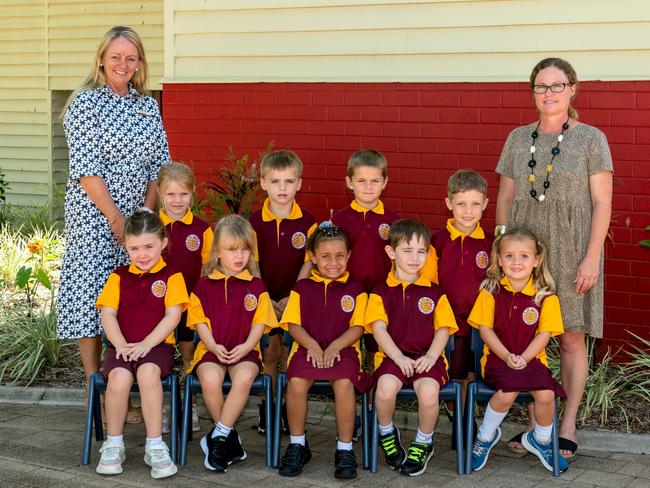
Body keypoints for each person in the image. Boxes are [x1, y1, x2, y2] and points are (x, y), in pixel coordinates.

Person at [494, 57, 613, 458]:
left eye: (557, 86)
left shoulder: (592, 139)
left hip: (573, 248)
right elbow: (506, 198)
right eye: (541, 87)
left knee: (571, 338)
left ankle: (567, 423)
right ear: (533, 92)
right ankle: (536, 425)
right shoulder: (517, 138)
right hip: (524, 253)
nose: (549, 93)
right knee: (527, 335)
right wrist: (501, 250)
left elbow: (602, 204)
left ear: (572, 89)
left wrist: (591, 258)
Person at [57, 25, 171, 423]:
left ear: (140, 63)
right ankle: (98, 391)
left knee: (136, 300)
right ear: (102, 58)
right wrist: (117, 220)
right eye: (116, 56)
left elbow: (160, 166)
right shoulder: (84, 103)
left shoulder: (147, 105)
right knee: (95, 298)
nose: (123, 64)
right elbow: (87, 171)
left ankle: (128, 386)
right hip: (96, 214)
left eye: (131, 57)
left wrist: (143, 217)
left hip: (140, 218)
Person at [94, 210, 188, 478]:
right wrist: (121, 344)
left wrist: (147, 343)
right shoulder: (118, 277)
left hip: (156, 348)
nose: (142, 254)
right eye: (135, 248)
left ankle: (155, 445)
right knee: (119, 378)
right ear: (126, 246)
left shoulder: (172, 277)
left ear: (163, 243)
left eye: (149, 246)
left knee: (148, 374)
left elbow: (173, 316)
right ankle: (113, 444)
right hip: (121, 347)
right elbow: (107, 313)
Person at [467, 226, 568, 473]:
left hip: (532, 359)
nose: (516, 262)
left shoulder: (546, 297)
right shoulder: (490, 292)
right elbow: (485, 331)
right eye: (509, 255)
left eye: (524, 256)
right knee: (508, 392)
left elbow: (544, 335)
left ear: (536, 260)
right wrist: (506, 356)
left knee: (545, 394)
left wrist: (524, 358)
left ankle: (540, 440)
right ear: (499, 260)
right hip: (497, 359)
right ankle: (485, 437)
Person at [366, 219, 458, 476]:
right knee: (384, 390)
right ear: (391, 252)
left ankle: (423, 443)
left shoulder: (435, 292)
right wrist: (396, 357)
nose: (415, 257)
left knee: (429, 392)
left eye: (421, 251)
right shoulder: (380, 292)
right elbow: (378, 329)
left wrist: (431, 355)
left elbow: (443, 329)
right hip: (392, 358)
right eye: (407, 250)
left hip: (428, 359)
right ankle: (387, 433)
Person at [187, 215, 277, 473]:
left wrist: (248, 346)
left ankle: (217, 438)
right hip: (211, 350)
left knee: (245, 378)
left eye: (244, 249)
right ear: (217, 252)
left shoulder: (257, 286)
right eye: (231, 250)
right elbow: (199, 322)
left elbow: (260, 324)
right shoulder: (203, 285)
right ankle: (229, 440)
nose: (239, 256)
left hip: (245, 351)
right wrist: (213, 346)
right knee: (210, 380)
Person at [278, 223, 368, 480]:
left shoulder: (356, 289)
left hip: (344, 350)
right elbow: (293, 324)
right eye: (325, 256)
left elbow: (359, 327)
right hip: (308, 348)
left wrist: (336, 346)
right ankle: (297, 444)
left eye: (340, 256)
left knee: (343, 383)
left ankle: (345, 448)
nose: (333, 262)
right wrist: (313, 345)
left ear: (349, 255)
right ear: (313, 257)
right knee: (295, 383)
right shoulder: (302, 288)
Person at [422, 169, 493, 440]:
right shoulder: (437, 243)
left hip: (477, 325)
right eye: (461, 204)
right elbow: (428, 285)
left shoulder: (491, 245)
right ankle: (456, 416)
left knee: (470, 371)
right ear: (449, 203)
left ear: (485, 204)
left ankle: (466, 419)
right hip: (446, 325)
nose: (468, 211)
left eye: (475, 204)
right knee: (451, 373)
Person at [249, 150, 317, 434]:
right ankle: (269, 408)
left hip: (294, 301)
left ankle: (292, 409)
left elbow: (308, 264)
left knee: (292, 355)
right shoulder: (253, 222)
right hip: (264, 298)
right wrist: (265, 296)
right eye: (275, 181)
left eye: (289, 182)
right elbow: (251, 263)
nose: (282, 188)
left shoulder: (308, 222)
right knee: (270, 355)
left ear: (299, 184)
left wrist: (294, 296)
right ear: (263, 183)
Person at [332, 149, 401, 373]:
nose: (368, 186)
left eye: (374, 181)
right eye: (361, 180)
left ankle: (373, 396)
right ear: (349, 183)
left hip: (381, 295)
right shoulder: (338, 220)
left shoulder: (393, 221)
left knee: (375, 349)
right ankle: (348, 389)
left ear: (385, 182)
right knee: (345, 348)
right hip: (346, 292)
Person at [157, 162, 213, 433]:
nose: (177, 201)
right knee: (163, 357)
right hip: (159, 309)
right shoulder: (152, 227)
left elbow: (208, 272)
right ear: (159, 193)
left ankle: (189, 405)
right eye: (170, 194)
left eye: (183, 194)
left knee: (190, 356)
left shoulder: (203, 230)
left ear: (192, 194)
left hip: (190, 308)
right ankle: (166, 406)